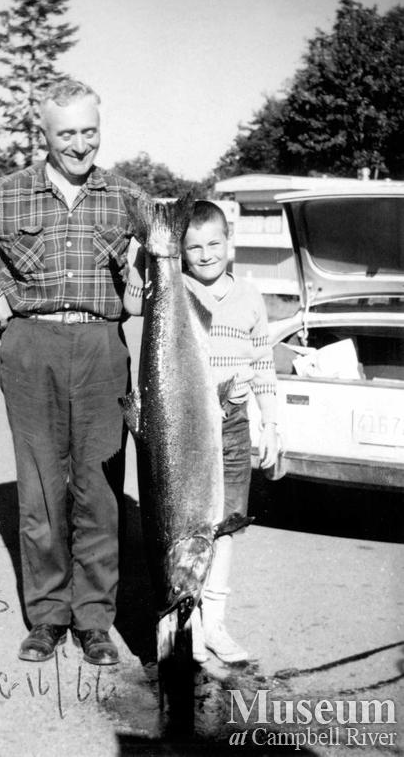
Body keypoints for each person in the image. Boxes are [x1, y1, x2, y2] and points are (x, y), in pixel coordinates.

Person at [0, 79, 144, 667]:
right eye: (66, 132)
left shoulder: (127, 196)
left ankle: (94, 621)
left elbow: (174, 248)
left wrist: (151, 277)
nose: (80, 144)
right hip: (32, 345)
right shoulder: (8, 192)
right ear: (42, 132)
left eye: (89, 131)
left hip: (102, 348)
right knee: (42, 488)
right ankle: (48, 616)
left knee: (100, 492)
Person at [124, 199, 280, 663]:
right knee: (192, 527)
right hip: (183, 421)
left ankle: (214, 625)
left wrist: (271, 422)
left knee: (225, 526)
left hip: (232, 423)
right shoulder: (175, 285)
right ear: (182, 251)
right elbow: (131, 303)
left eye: (214, 244)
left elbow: (264, 361)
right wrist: (149, 252)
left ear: (230, 243)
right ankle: (181, 627)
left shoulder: (249, 295)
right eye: (194, 247)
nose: (206, 254)